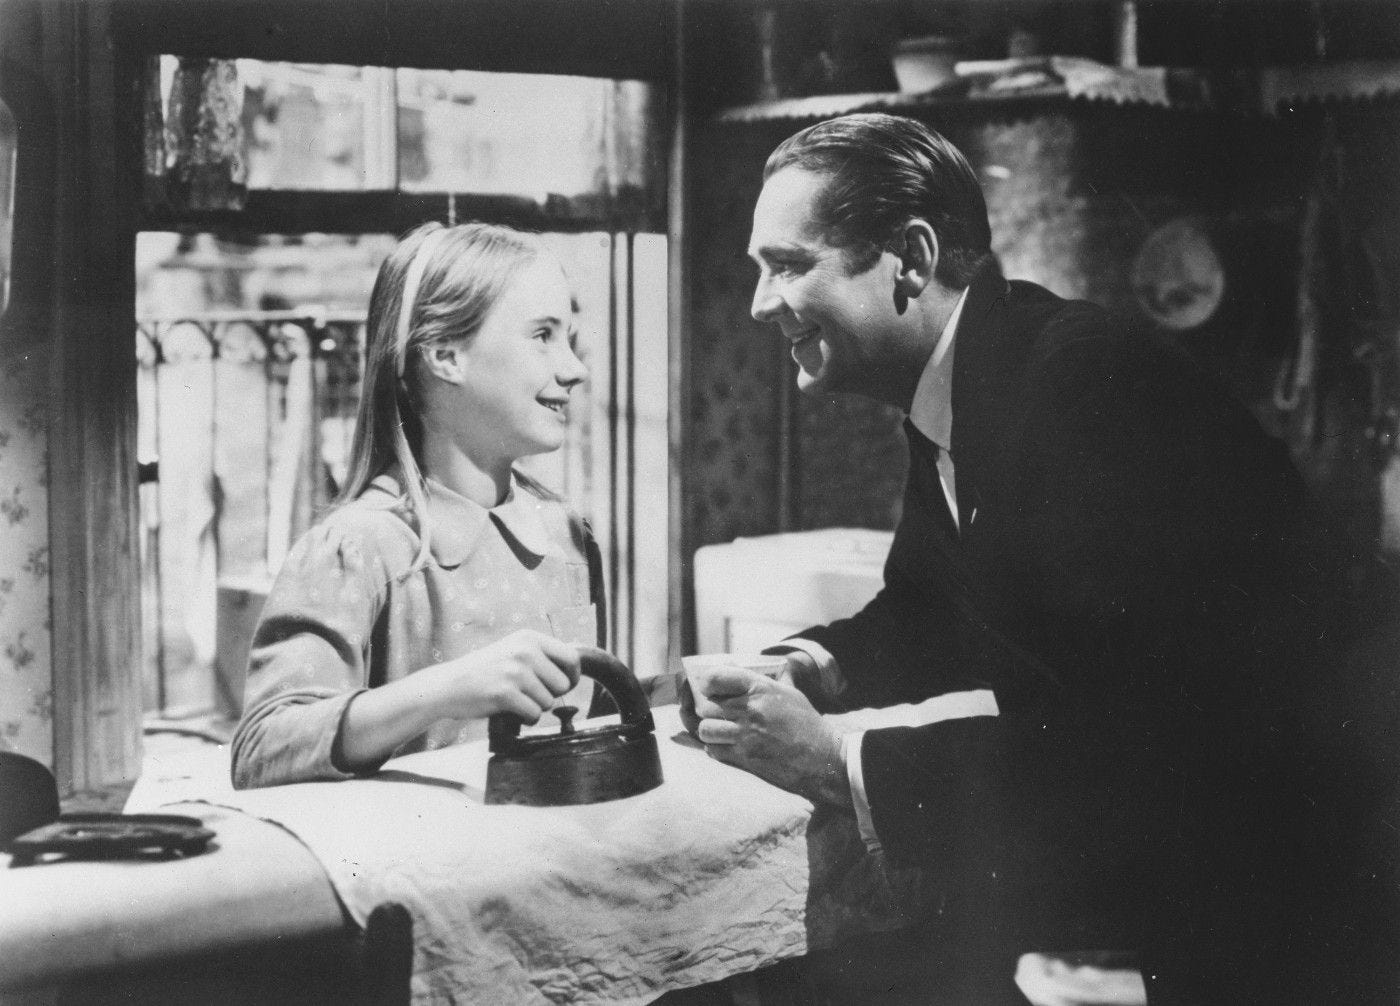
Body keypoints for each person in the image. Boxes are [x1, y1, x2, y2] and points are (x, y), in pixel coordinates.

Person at [686, 113, 1396, 1003]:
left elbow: (1129, 744)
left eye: (788, 264)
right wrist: (807, 667)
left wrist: (835, 759)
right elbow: (933, 607)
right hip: (1229, 856)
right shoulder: (973, 380)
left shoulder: (1079, 389)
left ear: (910, 259)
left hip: (1319, 873)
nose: (760, 303)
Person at [232, 222, 600, 790]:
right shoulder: (358, 547)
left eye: (568, 338)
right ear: (446, 356)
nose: (574, 368)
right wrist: (450, 689)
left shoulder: (566, 535)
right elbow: (262, 747)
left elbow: (588, 719)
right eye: (543, 335)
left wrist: (686, 697)